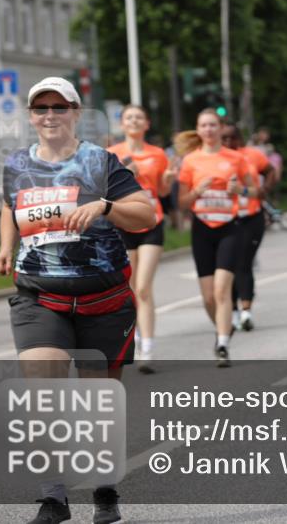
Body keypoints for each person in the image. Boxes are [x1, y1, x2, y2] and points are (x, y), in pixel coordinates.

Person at [0, 77, 155, 524]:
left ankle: (105, 488)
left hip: (104, 298)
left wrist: (105, 206)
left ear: (75, 113)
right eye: (40, 107)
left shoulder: (101, 162)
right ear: (31, 116)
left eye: (59, 107)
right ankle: (53, 498)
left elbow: (145, 215)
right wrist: (7, 247)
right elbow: (11, 205)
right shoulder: (16, 165)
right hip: (40, 296)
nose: (49, 115)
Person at [175, 109, 256, 367]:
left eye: (213, 125)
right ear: (198, 130)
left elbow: (255, 190)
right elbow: (181, 203)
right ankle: (223, 326)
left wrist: (239, 189)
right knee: (208, 297)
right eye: (204, 125)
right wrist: (197, 190)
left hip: (229, 228)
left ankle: (222, 343)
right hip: (202, 228)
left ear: (221, 129)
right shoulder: (190, 161)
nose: (209, 130)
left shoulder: (235, 158)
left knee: (222, 290)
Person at [107, 105, 176, 374]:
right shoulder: (112, 154)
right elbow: (104, 190)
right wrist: (125, 173)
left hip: (151, 222)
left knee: (144, 287)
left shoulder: (157, 154)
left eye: (138, 117)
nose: (134, 121)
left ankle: (148, 348)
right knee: (130, 287)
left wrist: (168, 181)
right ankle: (133, 337)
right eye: (128, 117)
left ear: (146, 124)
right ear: (122, 124)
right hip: (123, 222)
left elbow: (162, 191)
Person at [222, 123, 274, 331]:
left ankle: (246, 310)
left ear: (238, 139)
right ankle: (232, 310)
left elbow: (270, 171)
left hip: (251, 216)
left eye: (230, 138)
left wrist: (265, 189)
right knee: (229, 266)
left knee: (244, 263)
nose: (227, 143)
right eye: (223, 138)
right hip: (226, 219)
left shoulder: (251, 155)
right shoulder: (215, 157)